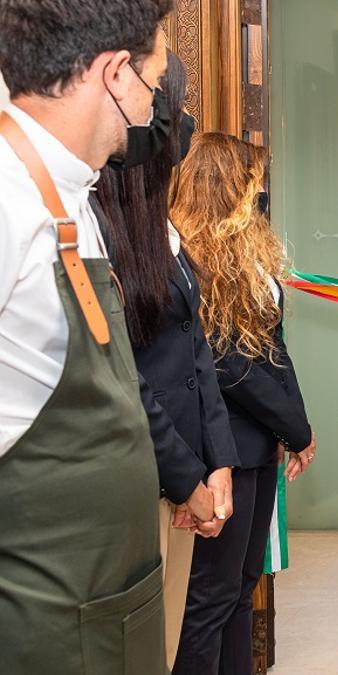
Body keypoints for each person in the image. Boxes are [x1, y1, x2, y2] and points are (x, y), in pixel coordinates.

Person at [0, 1, 173, 672]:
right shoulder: (9, 200)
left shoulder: (74, 192)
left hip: (105, 604)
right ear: (115, 74)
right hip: (43, 620)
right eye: (154, 84)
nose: (155, 106)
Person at [93, 51, 239, 668]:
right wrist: (188, 480)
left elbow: (195, 350)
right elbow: (127, 375)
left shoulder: (164, 227)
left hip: (186, 473)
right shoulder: (98, 222)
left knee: (169, 642)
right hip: (143, 477)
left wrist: (220, 462)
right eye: (164, 97)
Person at [170, 132, 316, 674]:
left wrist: (298, 428)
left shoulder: (248, 253)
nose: (260, 193)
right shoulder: (192, 258)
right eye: (253, 182)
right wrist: (294, 430)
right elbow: (229, 368)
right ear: (226, 186)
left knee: (241, 588)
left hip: (259, 443)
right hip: (219, 447)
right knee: (210, 598)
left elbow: (273, 346)